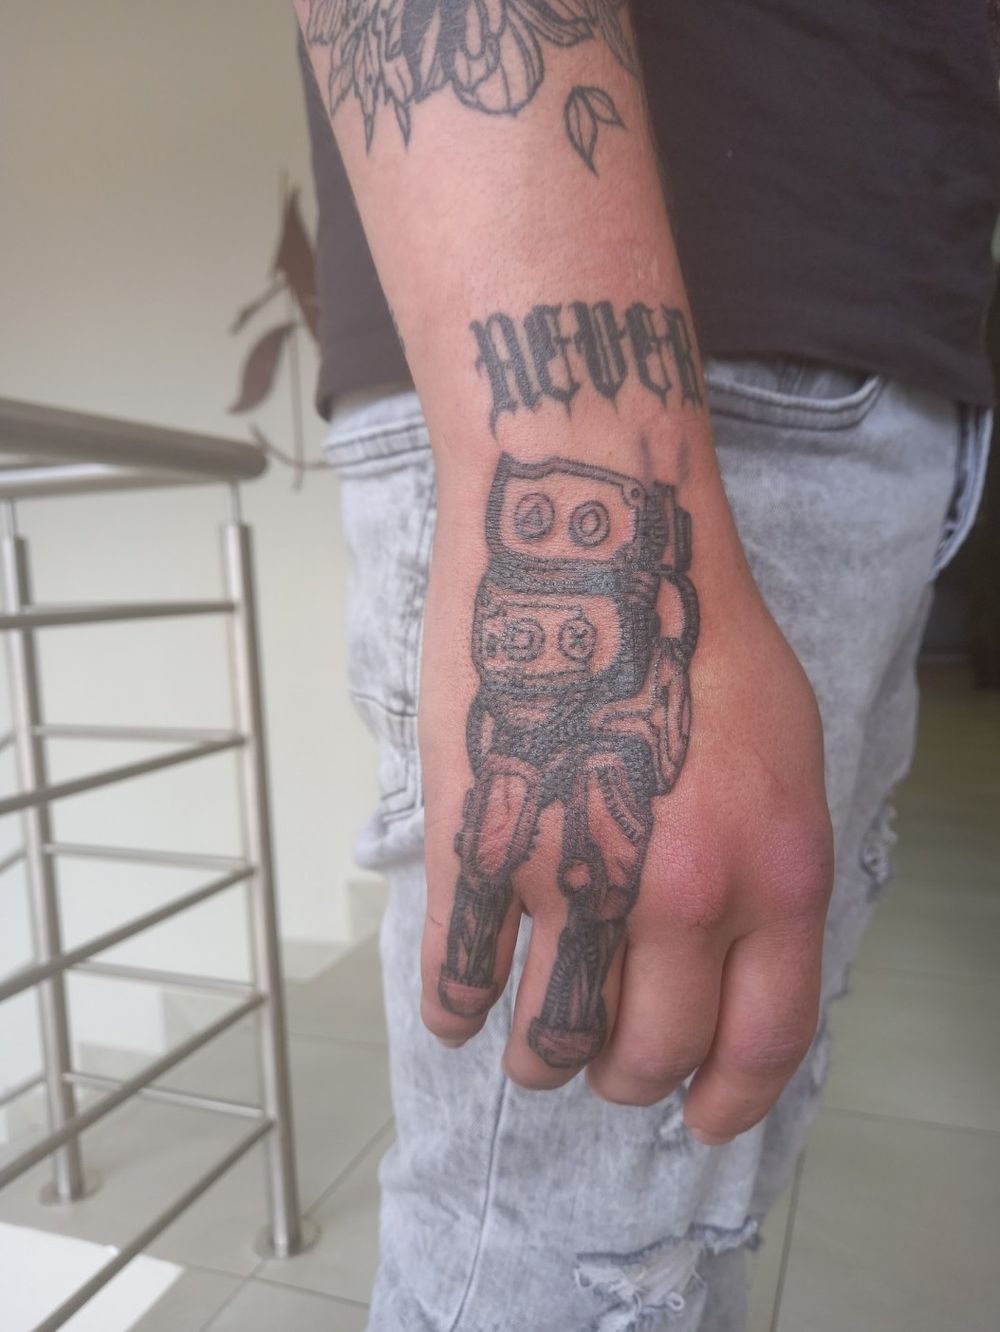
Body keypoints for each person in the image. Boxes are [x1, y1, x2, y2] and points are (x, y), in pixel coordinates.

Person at [293, 3, 999, 1328]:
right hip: (667, 366)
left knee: (692, 1210)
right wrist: (584, 446)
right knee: (567, 1268)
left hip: (887, 380)